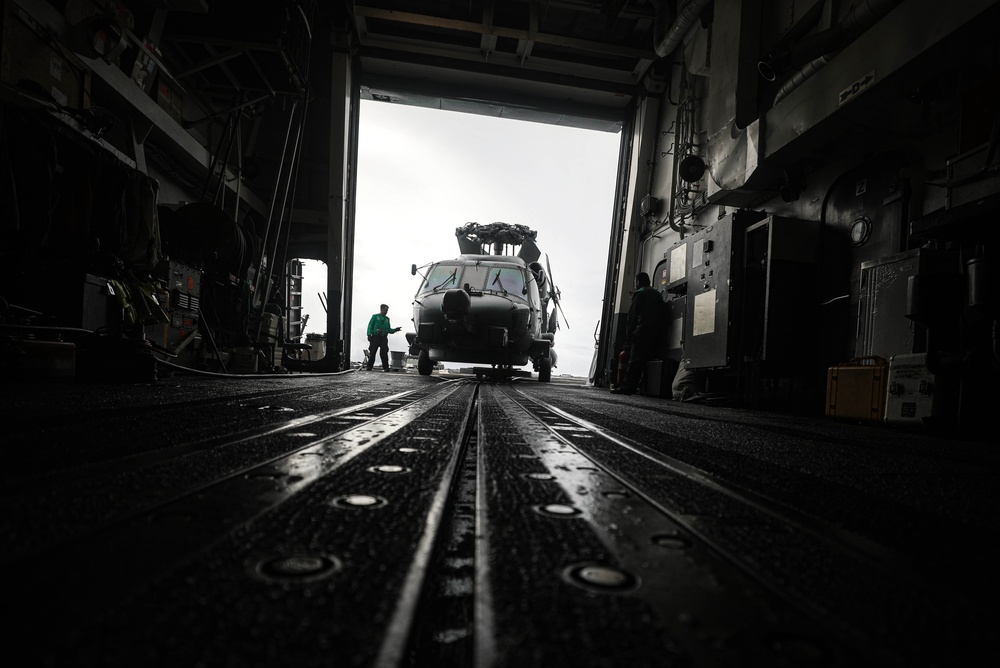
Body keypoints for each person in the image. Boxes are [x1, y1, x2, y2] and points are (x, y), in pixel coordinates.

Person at [611, 272, 664, 395]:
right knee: (649, 360)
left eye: (635, 283)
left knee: (634, 361)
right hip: (657, 331)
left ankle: (627, 387)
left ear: (638, 282)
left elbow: (632, 316)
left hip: (642, 330)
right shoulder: (657, 294)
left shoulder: (639, 294)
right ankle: (647, 388)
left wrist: (629, 336)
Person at [366, 303, 401, 371]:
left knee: (384, 352)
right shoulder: (375, 317)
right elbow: (370, 326)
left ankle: (385, 367)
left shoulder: (387, 319)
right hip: (375, 337)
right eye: (385, 310)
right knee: (373, 352)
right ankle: (369, 366)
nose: (386, 312)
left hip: (383, 338)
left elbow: (388, 329)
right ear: (381, 310)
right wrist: (369, 334)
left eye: (387, 310)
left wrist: (395, 330)